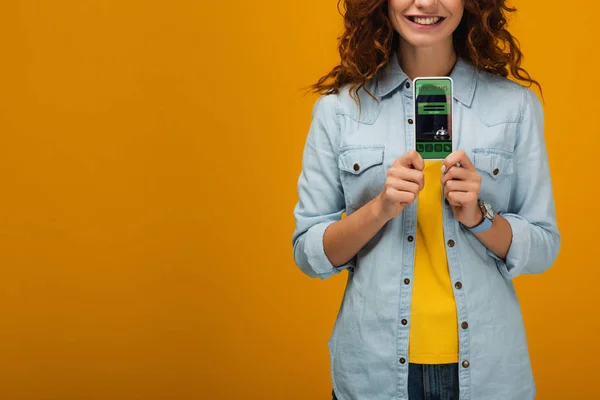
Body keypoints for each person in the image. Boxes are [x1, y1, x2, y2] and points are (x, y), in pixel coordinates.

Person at [291, 0, 560, 399]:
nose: (426, 3)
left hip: (488, 371)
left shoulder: (515, 107)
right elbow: (308, 252)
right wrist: (380, 208)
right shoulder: (339, 112)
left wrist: (478, 217)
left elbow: (543, 247)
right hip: (374, 372)